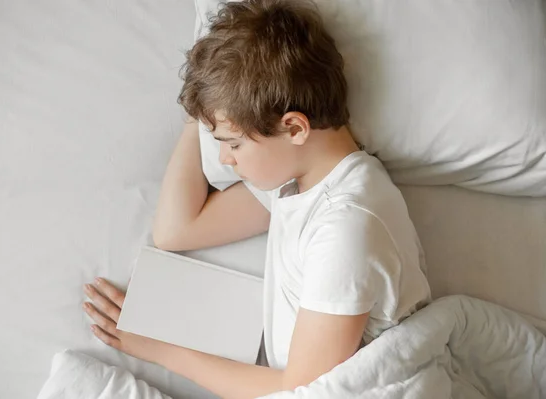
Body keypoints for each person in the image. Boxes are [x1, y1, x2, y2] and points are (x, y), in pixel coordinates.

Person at [82, 0, 431, 397]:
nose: (225, 160)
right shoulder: (296, 183)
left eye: (233, 144)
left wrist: (157, 348)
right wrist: (208, 104)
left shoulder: (347, 228)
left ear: (295, 128)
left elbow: (299, 392)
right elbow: (176, 230)